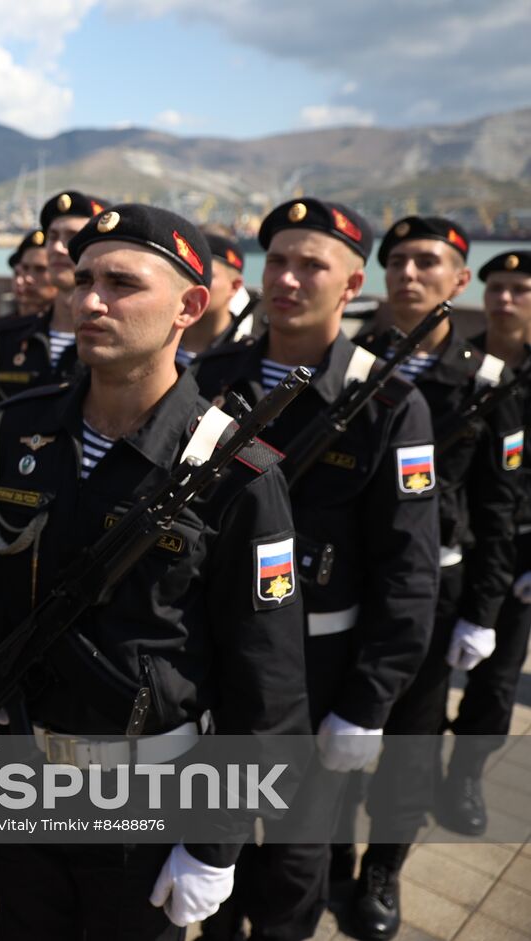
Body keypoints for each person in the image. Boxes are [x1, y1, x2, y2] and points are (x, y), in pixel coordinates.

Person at [0, 204, 310, 940]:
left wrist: (214, 842)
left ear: (189, 305)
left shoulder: (236, 470)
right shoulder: (20, 427)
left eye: (121, 283)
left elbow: (267, 683)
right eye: (83, 279)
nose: (89, 300)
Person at [191, 198, 440, 941]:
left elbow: (409, 570)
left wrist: (368, 703)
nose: (288, 279)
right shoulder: (210, 376)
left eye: (312, 265)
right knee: (209, 840)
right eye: (278, 261)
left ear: (352, 283)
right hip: (214, 654)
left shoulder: (389, 403)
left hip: (320, 664)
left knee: (293, 866)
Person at [343, 216, 520, 941]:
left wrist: (483, 612)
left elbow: (498, 509)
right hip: (348, 582)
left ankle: (382, 869)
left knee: (412, 744)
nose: (409, 274)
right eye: (397, 263)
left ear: (458, 279)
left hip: (433, 591)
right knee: (337, 730)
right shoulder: (353, 363)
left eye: (427, 262)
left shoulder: (485, 382)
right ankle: (328, 859)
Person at [440, 249, 531, 837]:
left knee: (497, 683)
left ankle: (465, 777)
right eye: (496, 287)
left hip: (518, 553)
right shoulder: (459, 366)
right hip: (455, 543)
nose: (503, 299)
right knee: (429, 674)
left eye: (519, 289)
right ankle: (415, 770)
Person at [0, 192, 109, 408]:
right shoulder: (9, 338)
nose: (57, 248)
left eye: (72, 236)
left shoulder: (111, 342)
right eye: (52, 237)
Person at [177, 233, 247, 366]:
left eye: (207, 275)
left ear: (234, 286)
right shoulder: (156, 343)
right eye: (187, 271)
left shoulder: (246, 355)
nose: (194, 281)